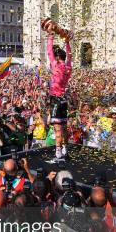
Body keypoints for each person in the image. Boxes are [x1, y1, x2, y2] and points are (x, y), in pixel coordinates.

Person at [46, 26, 73, 160]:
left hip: (56, 100)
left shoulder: (55, 65)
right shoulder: (68, 67)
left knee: (57, 128)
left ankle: (58, 152)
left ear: (57, 57)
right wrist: (67, 42)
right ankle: (65, 149)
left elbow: (49, 52)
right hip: (64, 100)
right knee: (63, 127)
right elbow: (70, 56)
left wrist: (50, 36)